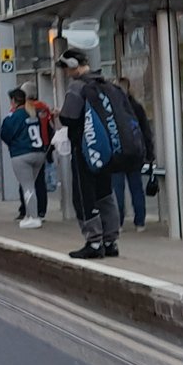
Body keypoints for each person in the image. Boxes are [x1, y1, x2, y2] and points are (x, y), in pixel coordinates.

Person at [58, 49, 122, 258]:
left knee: (84, 195)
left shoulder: (78, 87)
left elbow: (68, 117)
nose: (67, 73)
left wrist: (60, 114)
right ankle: (111, 240)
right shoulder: (105, 84)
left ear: (74, 64)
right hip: (105, 151)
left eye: (67, 68)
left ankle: (93, 242)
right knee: (105, 192)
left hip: (84, 148)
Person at [1, 88, 48, 229]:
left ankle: (33, 217)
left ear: (14, 101)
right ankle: (31, 214)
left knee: (27, 186)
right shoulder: (33, 113)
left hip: (21, 154)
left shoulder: (13, 117)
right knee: (32, 184)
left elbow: (5, 134)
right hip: (39, 152)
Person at [112, 78, 155, 232]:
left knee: (117, 189)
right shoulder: (136, 107)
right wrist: (149, 153)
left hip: (117, 154)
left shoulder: (112, 108)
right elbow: (145, 131)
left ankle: (119, 222)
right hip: (135, 154)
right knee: (136, 188)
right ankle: (140, 222)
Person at [18, 83, 54, 221]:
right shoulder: (44, 108)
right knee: (40, 181)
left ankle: (26, 209)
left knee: (25, 181)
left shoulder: (22, 110)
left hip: (26, 148)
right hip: (42, 147)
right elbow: (50, 127)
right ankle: (41, 210)